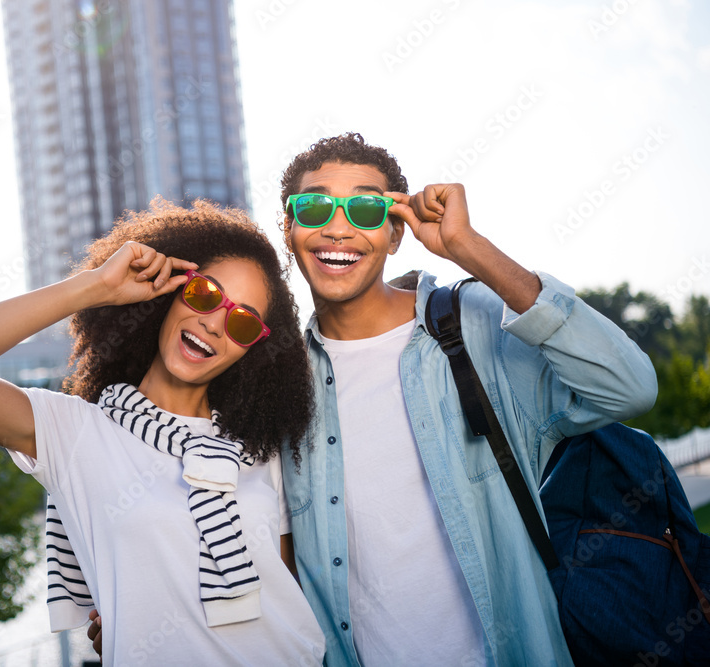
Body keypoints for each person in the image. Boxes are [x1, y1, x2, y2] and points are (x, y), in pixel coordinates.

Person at [275, 133, 658, 666]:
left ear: (394, 233)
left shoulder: (472, 326)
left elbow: (628, 387)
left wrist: (468, 247)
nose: (337, 227)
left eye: (364, 207)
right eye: (314, 205)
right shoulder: (276, 381)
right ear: (290, 229)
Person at [0, 198, 326, 665]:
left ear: (252, 349)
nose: (214, 324)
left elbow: (284, 584)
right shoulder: (75, 434)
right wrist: (94, 287)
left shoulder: (257, 449)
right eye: (204, 294)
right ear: (172, 291)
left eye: (243, 321)